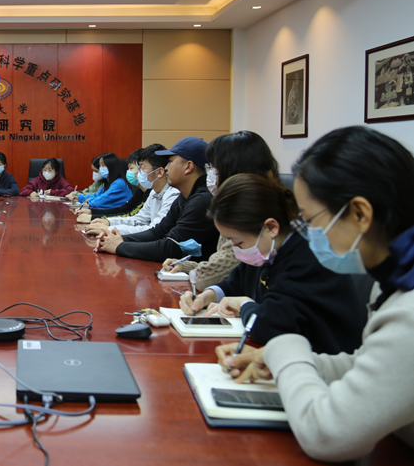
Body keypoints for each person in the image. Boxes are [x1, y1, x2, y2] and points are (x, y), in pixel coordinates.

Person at [218, 126, 414, 461]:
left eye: (310, 220)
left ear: (360, 214)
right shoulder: (392, 281)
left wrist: (284, 348)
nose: (308, 234)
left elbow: (328, 435)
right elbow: (371, 366)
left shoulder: (408, 312)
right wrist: (284, 361)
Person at [179, 173, 365, 355]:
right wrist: (207, 297)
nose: (236, 250)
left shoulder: (309, 256)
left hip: (323, 360)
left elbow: (267, 325)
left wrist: (244, 305)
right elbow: (235, 284)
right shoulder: (266, 250)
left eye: (239, 242)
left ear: (271, 228)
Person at [160, 130, 280, 291]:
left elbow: (210, 277)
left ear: (232, 170)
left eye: (214, 168)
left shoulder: (247, 211)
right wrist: (186, 267)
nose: (209, 175)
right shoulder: (235, 203)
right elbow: (228, 271)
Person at [95, 137, 217, 262]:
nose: (166, 168)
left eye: (170, 162)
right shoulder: (184, 197)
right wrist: (114, 239)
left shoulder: (202, 201)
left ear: (188, 166)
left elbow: (171, 247)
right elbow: (156, 233)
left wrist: (120, 246)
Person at [85, 144, 178, 237]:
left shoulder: (173, 195)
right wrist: (108, 222)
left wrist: (108, 229)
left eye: (143, 168)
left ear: (160, 172)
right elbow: (138, 219)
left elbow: (154, 230)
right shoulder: (154, 192)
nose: (139, 173)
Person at [75, 149, 147, 222]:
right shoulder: (140, 191)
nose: (128, 171)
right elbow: (125, 209)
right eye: (100, 165)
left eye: (131, 168)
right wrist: (91, 212)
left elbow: (130, 215)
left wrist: (95, 217)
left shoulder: (120, 183)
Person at [65, 152, 131, 210]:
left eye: (103, 165)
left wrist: (89, 201)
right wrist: (80, 198)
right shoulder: (109, 183)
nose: (100, 168)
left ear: (112, 166)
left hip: (119, 214)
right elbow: (98, 195)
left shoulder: (119, 183)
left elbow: (102, 200)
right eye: (100, 165)